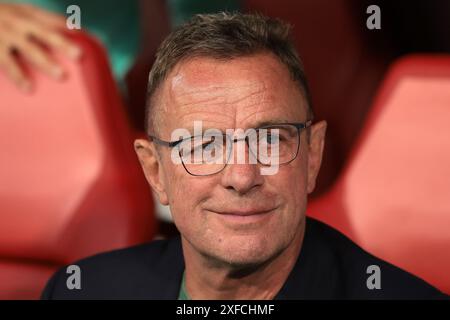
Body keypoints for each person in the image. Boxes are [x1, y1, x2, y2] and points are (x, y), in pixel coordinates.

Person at [41, 12, 446, 300]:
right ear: (155, 170)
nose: (241, 175)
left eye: (270, 139)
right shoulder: (82, 290)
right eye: (202, 145)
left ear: (313, 156)